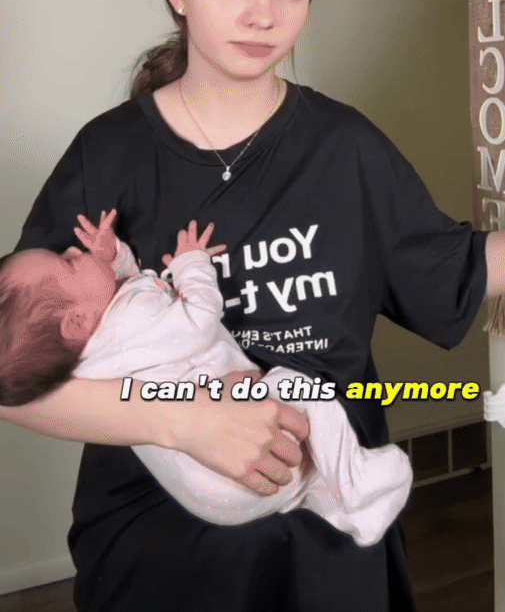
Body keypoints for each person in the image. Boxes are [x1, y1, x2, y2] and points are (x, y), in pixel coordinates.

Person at [1, 0, 505, 612]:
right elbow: (12, 381)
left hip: (333, 534)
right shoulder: (107, 154)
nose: (264, 13)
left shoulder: (346, 147)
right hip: (157, 552)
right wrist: (183, 422)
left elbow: (457, 269)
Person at [0, 211, 413, 546]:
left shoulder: (85, 362)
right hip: (234, 456)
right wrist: (191, 264)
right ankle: (357, 482)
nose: (74, 248)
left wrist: (114, 257)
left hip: (205, 492)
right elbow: (197, 320)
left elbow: (124, 289)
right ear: (75, 321)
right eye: (69, 262)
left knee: (295, 479)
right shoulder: (133, 322)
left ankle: (333, 505)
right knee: (300, 390)